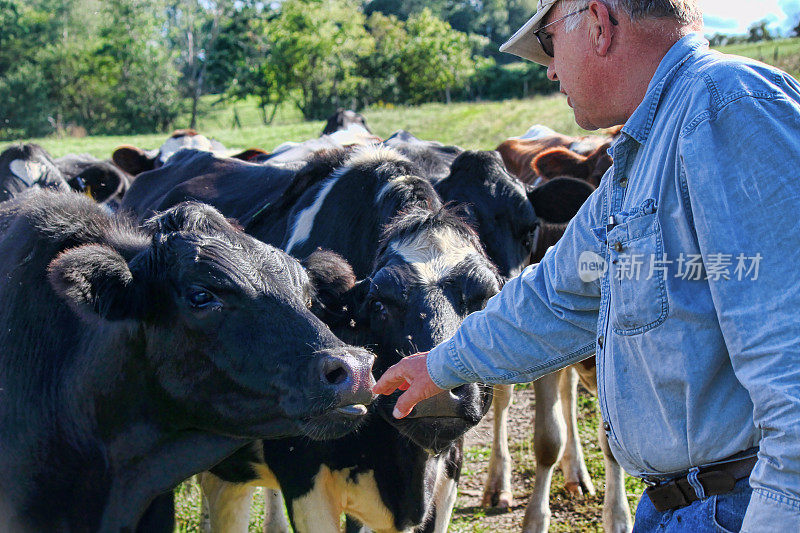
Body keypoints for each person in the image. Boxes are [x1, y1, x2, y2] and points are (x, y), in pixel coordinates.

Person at [372, 0, 800, 531]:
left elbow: (793, 362)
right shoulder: (640, 153)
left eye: (550, 43)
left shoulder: (728, 107)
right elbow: (556, 298)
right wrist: (439, 366)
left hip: (743, 506)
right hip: (685, 505)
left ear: (598, 23)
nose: (549, 69)